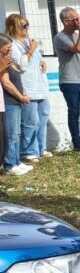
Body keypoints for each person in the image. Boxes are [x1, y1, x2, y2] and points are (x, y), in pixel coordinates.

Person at [6, 14, 49, 166]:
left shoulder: (29, 42)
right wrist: (31, 50)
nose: (27, 28)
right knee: (30, 121)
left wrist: (41, 61)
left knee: (42, 118)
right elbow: (22, 64)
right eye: (23, 25)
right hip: (27, 87)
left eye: (27, 24)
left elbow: (35, 59)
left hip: (40, 86)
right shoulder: (12, 45)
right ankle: (29, 151)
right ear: (13, 27)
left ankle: (41, 148)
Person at [53, 7, 80, 151]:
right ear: (66, 21)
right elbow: (79, 49)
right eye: (76, 19)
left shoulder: (79, 36)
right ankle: (78, 145)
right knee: (74, 111)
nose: (79, 21)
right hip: (70, 81)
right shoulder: (60, 37)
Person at [0, 36, 32, 175]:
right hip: (9, 102)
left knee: (16, 133)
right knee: (11, 134)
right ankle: (10, 164)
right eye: (8, 47)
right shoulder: (2, 62)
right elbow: (6, 83)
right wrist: (21, 97)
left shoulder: (8, 60)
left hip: (15, 101)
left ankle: (16, 161)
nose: (11, 49)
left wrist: (22, 94)